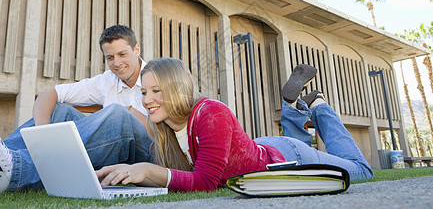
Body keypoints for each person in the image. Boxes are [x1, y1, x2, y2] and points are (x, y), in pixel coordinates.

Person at [95, 58, 373, 192]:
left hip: (285, 157)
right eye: (144, 92)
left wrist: (147, 170)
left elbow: (205, 181)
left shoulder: (211, 113)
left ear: (178, 89)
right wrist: (126, 174)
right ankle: (292, 107)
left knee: (361, 170)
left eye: (157, 91)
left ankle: (319, 107)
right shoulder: (162, 128)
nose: (148, 100)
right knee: (300, 142)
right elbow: (177, 176)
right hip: (256, 149)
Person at [0, 25, 153, 193]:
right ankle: (5, 157)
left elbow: (169, 131)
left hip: (148, 154)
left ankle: (17, 171)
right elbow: (50, 94)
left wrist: (128, 111)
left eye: (122, 54)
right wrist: (43, 130)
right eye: (110, 57)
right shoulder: (106, 81)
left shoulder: (158, 75)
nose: (116, 63)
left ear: (136, 49)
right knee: (61, 111)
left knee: (118, 115)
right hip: (113, 149)